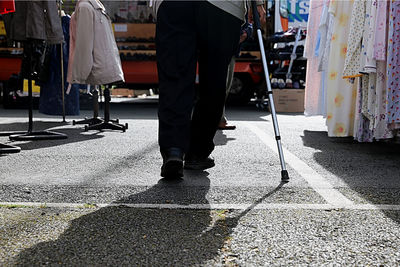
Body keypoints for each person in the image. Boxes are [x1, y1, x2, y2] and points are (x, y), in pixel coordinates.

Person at [154, 0, 266, 178]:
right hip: (222, 7)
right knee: (214, 78)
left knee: (175, 76)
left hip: (175, 5)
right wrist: (257, 3)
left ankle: (173, 149)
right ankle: (197, 152)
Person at [218, 15, 254, 130]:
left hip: (230, 47)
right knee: (218, 85)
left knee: (225, 86)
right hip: (213, 43)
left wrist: (245, 33)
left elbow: (248, 23)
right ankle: (216, 118)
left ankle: (218, 118)